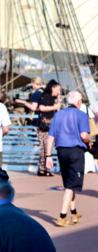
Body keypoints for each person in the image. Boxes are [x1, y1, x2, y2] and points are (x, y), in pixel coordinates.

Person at [46, 90, 91, 227]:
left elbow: (50, 137)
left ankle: (74, 212)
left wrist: (48, 155)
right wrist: (89, 142)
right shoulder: (81, 115)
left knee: (68, 183)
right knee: (71, 184)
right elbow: (84, 135)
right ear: (78, 102)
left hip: (61, 151)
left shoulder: (58, 114)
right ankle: (62, 216)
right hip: (75, 151)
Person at [36, 79, 62, 176]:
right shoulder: (47, 96)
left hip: (49, 125)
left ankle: (45, 168)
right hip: (44, 125)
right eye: (58, 89)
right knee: (45, 147)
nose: (58, 92)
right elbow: (42, 108)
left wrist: (58, 102)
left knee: (47, 147)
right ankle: (43, 168)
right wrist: (54, 107)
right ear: (53, 88)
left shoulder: (52, 98)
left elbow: (57, 111)